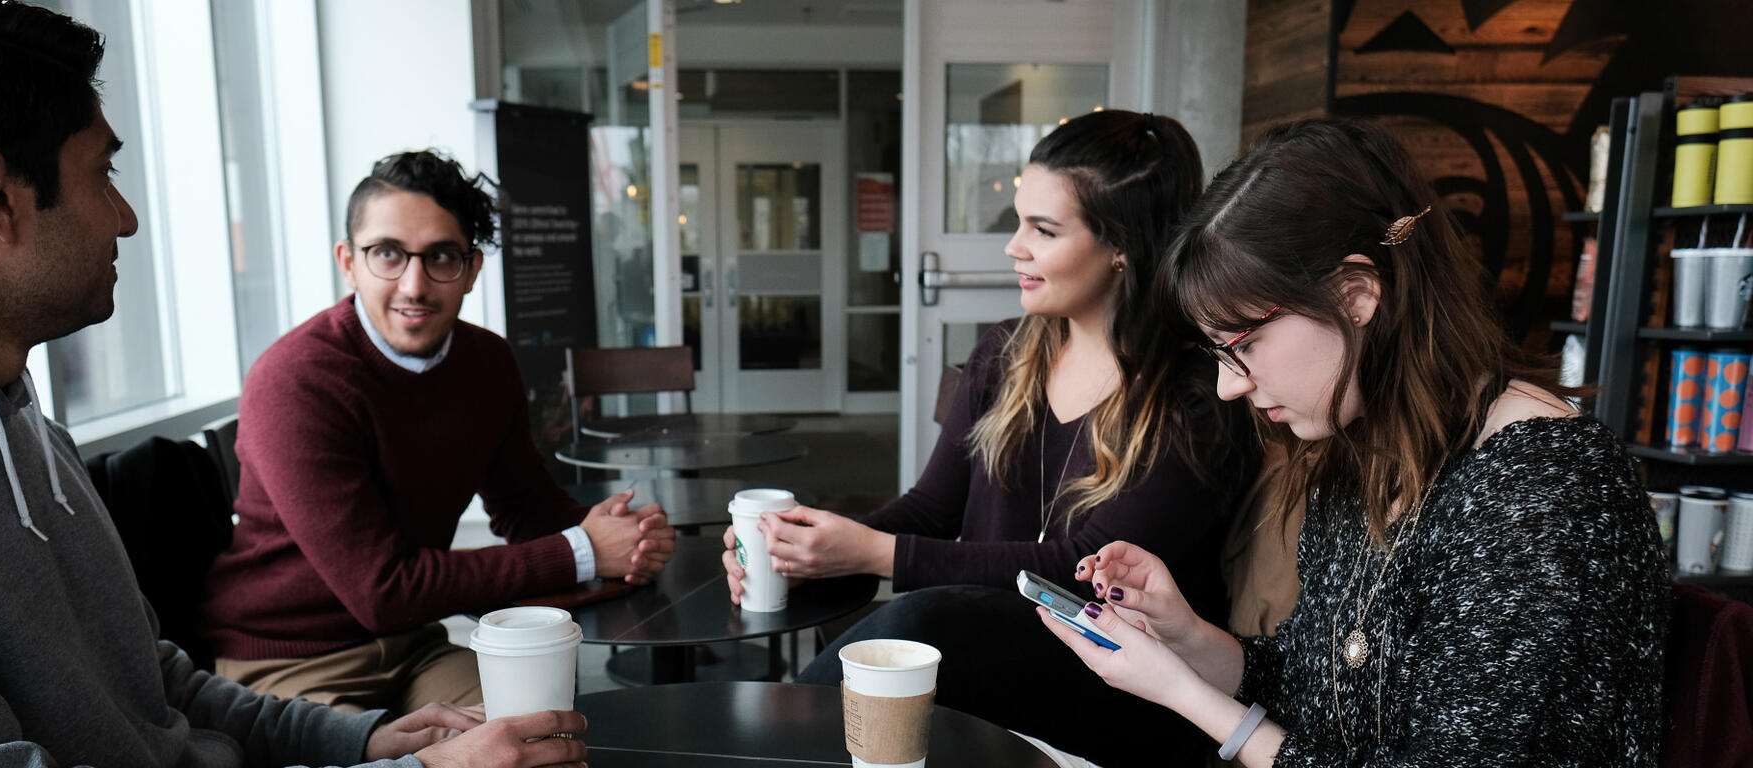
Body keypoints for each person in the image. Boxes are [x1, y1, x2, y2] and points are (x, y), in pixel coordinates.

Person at [0, 1, 587, 766]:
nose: (125, 219)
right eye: (104, 174)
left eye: (442, 258)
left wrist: (361, 741)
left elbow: (153, 688)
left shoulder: (19, 418)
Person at [1044, 118, 1667, 766]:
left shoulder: (1542, 493)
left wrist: (1183, 694)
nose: (1229, 387)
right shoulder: (1368, 450)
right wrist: (1187, 637)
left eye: (1245, 345)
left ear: (1355, 293)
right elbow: (1313, 691)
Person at [728, 110, 1260, 765]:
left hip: (1135, 694)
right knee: (925, 631)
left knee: (926, 623)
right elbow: (929, 510)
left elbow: (1081, 567)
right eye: (1018, 220)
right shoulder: (1005, 353)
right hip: (998, 665)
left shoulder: (1199, 395)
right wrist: (805, 550)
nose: (1013, 247)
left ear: (1123, 245)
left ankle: (747, 751)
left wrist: (876, 554)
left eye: (1043, 229)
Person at [198, 149, 676, 715]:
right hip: (286, 658)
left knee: (540, 726)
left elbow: (525, 508)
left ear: (472, 270)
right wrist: (584, 552)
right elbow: (384, 590)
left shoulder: (488, 362)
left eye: (441, 256)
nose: (415, 284)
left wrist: (623, 535)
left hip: (412, 647)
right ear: (348, 262)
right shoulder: (295, 380)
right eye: (388, 254)